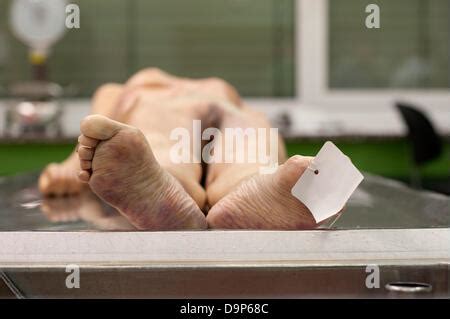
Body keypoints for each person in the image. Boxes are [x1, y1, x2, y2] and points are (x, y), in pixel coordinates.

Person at [38, 68, 318, 230]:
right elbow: (86, 147)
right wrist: (67, 169)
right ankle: (253, 182)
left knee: (163, 144)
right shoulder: (117, 91)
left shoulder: (134, 88)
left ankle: (172, 188)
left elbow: (90, 144)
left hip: (175, 109)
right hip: (227, 108)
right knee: (251, 142)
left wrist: (66, 171)